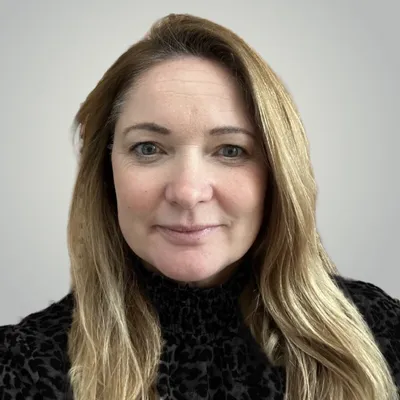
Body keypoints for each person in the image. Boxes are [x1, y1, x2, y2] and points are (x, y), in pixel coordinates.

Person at [0, 13, 399, 400]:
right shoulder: (19, 366)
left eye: (230, 150)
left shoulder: (381, 337)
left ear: (277, 174)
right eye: (148, 148)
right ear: (106, 172)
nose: (188, 192)